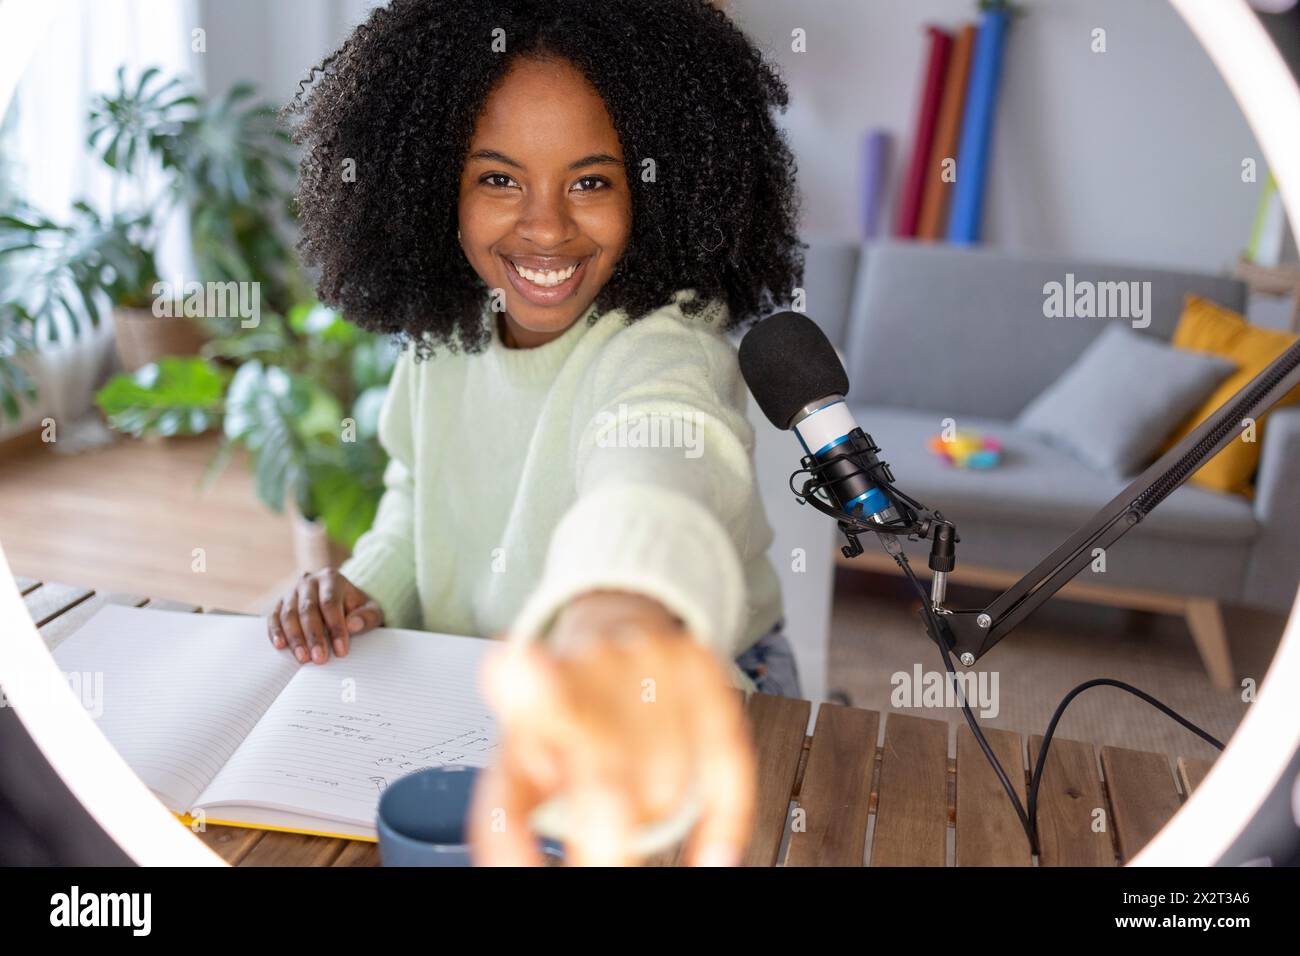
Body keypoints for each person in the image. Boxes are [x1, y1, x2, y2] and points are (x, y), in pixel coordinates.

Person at [268, 0, 804, 865]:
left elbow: (658, 468)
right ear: (434, 183)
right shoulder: (445, 337)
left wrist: (616, 616)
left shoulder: (668, 346)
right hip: (480, 690)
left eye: (591, 181)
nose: (547, 226)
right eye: (499, 179)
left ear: (657, 190)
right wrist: (363, 586)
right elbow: (418, 497)